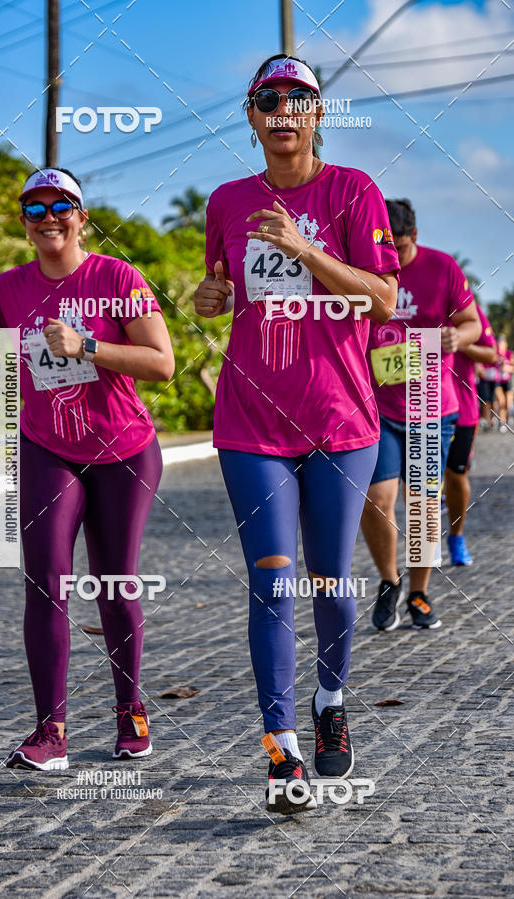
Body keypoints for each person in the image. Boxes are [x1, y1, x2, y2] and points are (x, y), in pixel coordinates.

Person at [0, 168, 174, 770]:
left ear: (82, 217)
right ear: (25, 222)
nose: (49, 216)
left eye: (62, 206)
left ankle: (131, 711)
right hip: (46, 447)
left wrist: (87, 346)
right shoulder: (10, 288)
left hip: (123, 449)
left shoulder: (116, 277)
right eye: (35, 208)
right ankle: (49, 732)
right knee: (45, 583)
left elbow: (161, 362)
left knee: (114, 584)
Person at [194, 54, 399, 814]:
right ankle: (281, 753)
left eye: (299, 98)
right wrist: (209, 295)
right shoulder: (226, 200)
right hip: (251, 422)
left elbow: (382, 298)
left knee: (331, 584)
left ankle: (331, 697)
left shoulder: (353, 191)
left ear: (318, 115)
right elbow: (217, 289)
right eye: (268, 98)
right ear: (252, 117)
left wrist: (305, 249)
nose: (284, 108)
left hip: (341, 422)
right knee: (274, 581)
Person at [361, 199, 481, 632]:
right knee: (376, 500)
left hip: (431, 404)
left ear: (416, 236)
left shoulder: (443, 267)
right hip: (377, 404)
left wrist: (456, 336)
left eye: (403, 247)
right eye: (387, 247)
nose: (396, 256)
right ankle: (389, 581)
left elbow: (473, 324)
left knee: (425, 505)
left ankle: (419, 591)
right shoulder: (363, 267)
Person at [445, 304, 496, 565]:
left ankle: (456, 535)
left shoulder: (467, 309)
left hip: (461, 409)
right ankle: (421, 547)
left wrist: (459, 341)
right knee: (415, 482)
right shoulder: (406, 301)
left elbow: (491, 355)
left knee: (456, 476)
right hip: (413, 407)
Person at [494, 334, 513, 433]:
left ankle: (506, 420)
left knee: (507, 404)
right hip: (497, 382)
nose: (500, 345)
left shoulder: (509, 354)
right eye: (499, 343)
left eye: (502, 343)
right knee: (501, 402)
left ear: (506, 344)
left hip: (508, 382)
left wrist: (506, 368)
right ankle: (502, 423)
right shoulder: (494, 354)